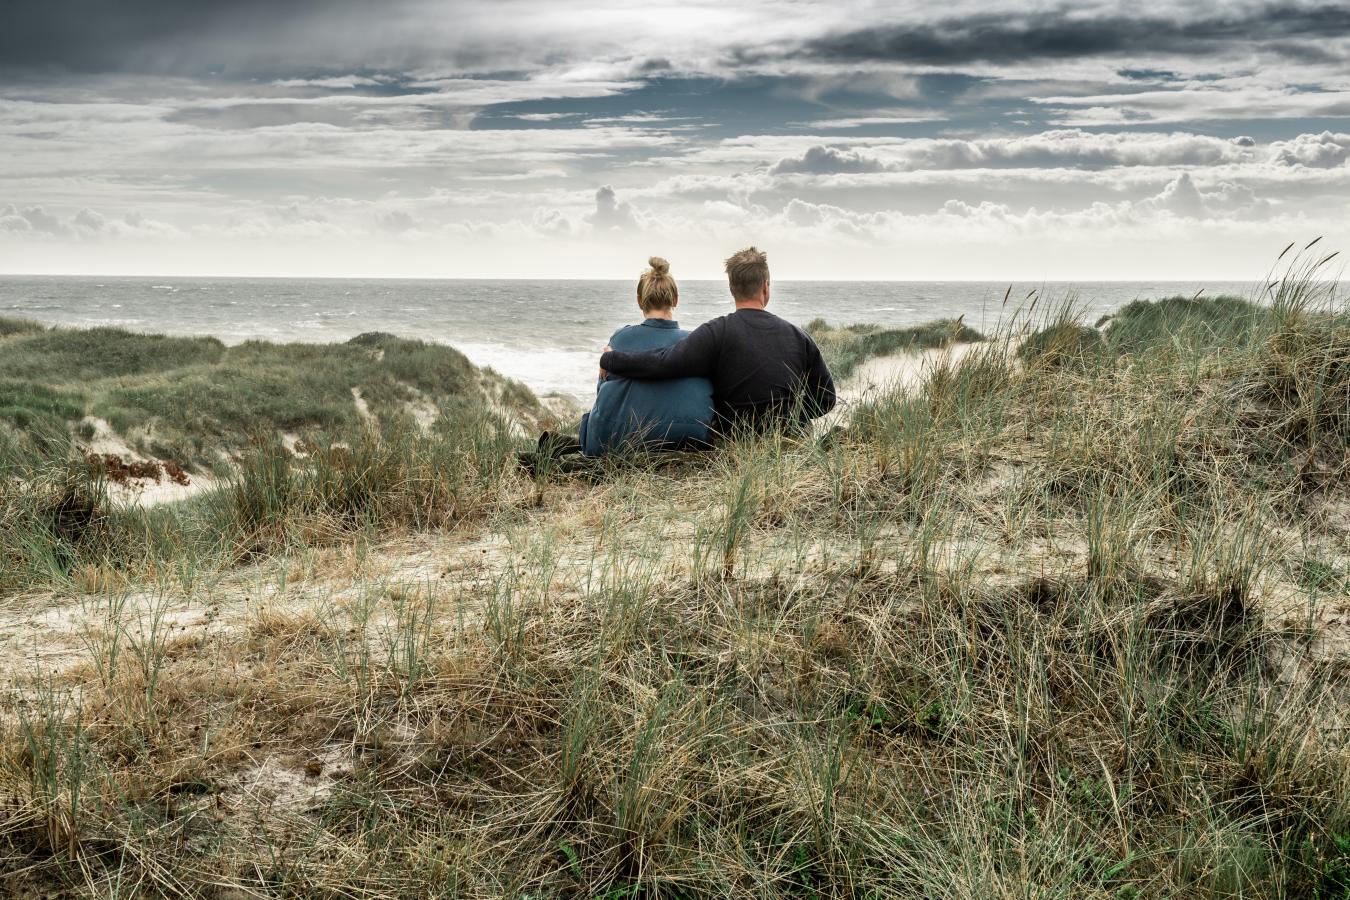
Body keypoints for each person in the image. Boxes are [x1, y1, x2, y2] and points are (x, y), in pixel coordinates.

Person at [599, 246, 835, 436]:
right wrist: (789, 415)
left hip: (733, 441)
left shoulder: (716, 332)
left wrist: (610, 358)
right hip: (790, 437)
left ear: (731, 288)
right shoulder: (799, 337)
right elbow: (826, 399)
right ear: (766, 287)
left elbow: (662, 363)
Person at [576, 257, 714, 456]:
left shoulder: (621, 338)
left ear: (639, 301)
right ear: (675, 299)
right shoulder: (694, 342)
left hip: (617, 439)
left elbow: (602, 391)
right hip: (691, 435)